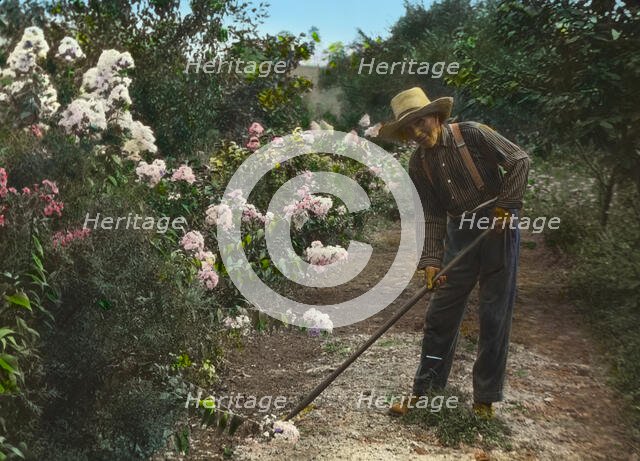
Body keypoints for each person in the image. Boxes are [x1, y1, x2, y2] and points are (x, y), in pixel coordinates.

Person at [378, 87, 530, 418]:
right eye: (409, 129)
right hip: (459, 233)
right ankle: (427, 393)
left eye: (421, 122)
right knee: (440, 314)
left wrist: (506, 206)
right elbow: (431, 215)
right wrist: (431, 262)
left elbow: (520, 160)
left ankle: (484, 400)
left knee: (494, 315)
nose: (418, 132)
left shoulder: (473, 134)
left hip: (498, 228)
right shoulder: (418, 163)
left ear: (436, 116)